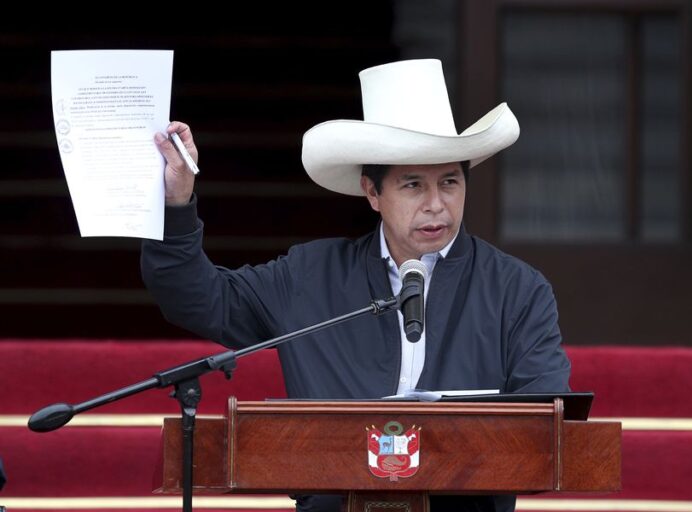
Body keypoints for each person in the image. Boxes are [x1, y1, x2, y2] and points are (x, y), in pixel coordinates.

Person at [142, 59, 570, 512]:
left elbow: (546, 428)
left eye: (449, 182)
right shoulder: (310, 275)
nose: (435, 204)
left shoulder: (517, 290)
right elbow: (196, 297)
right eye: (412, 185)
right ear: (372, 192)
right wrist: (176, 203)